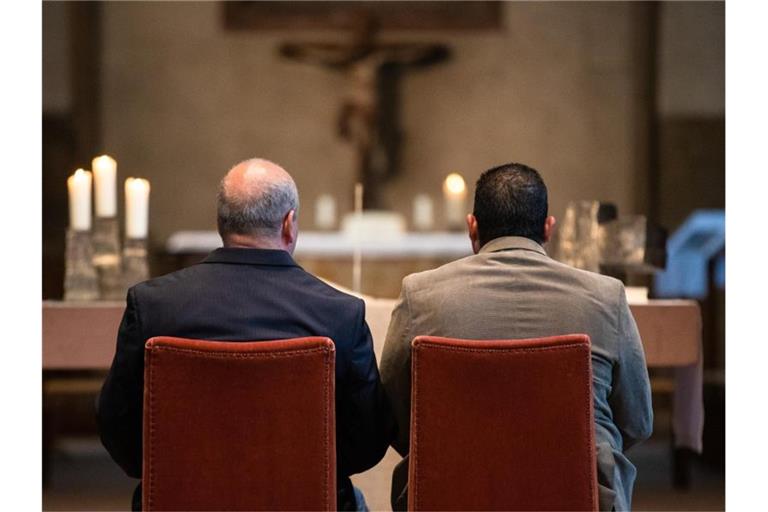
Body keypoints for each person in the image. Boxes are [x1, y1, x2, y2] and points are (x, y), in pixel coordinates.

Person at [97, 158, 393, 511]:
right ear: (289, 224)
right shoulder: (339, 314)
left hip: (184, 501)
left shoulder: (153, 306)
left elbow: (117, 423)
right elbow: (367, 440)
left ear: (221, 222)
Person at [380, 162, 653, 511]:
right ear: (548, 228)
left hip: (453, 495)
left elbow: (392, 412)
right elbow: (638, 421)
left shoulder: (420, 294)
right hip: (574, 497)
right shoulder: (606, 297)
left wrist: (459, 454)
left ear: (472, 227)